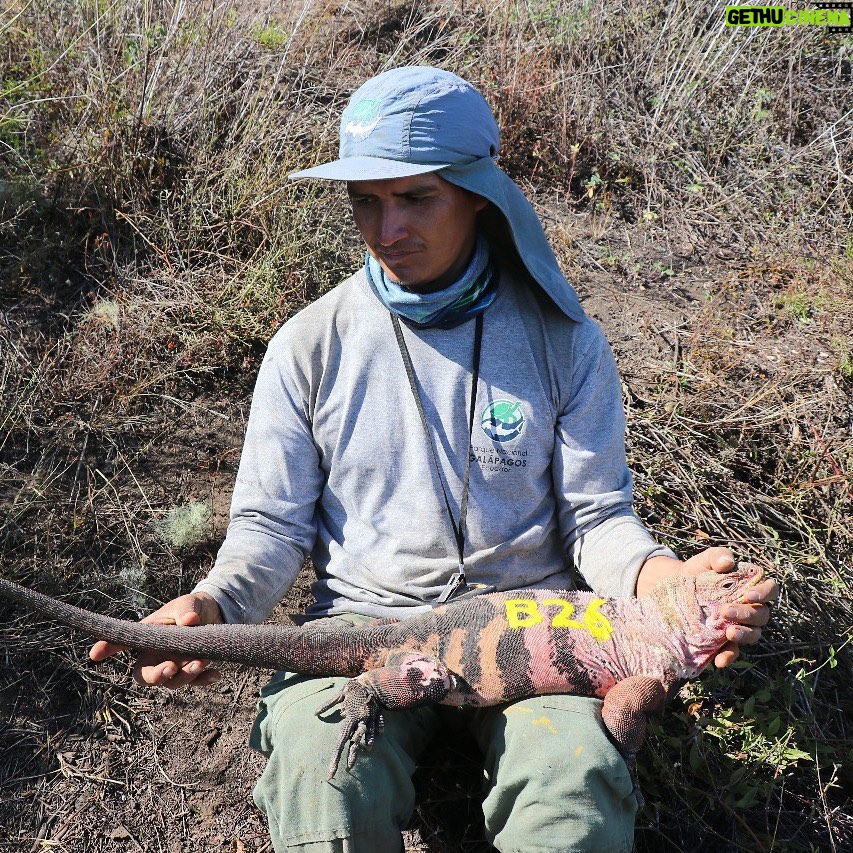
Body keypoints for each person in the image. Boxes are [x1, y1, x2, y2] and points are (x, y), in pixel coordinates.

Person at [90, 67, 777, 852]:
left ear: (477, 195)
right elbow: (270, 528)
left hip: (535, 625)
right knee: (322, 780)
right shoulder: (308, 346)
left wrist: (664, 583)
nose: (387, 231)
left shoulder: (565, 341)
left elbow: (596, 518)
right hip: (363, 625)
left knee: (573, 788)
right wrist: (211, 606)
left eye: (415, 197)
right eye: (366, 201)